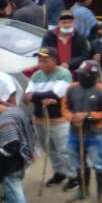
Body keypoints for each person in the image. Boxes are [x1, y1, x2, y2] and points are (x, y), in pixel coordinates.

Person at [63, 60, 102, 203]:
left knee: (99, 163)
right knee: (78, 163)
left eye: (83, 75)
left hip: (94, 134)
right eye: (79, 74)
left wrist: (88, 116)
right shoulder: (71, 89)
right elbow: (64, 107)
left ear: (92, 76)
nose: (80, 77)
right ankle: (82, 191)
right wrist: (72, 118)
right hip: (74, 133)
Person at [26, 48, 74, 189]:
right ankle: (59, 172)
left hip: (59, 120)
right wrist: (41, 97)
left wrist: (36, 96)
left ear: (54, 60)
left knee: (64, 150)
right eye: (39, 61)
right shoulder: (36, 75)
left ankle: (74, 176)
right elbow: (27, 96)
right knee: (50, 149)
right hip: (39, 120)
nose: (41, 64)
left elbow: (55, 94)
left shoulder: (64, 74)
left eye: (45, 61)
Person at [0, 74, 37, 203]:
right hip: (17, 164)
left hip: (9, 167)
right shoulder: (15, 111)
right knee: (9, 199)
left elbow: (12, 146)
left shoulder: (5, 121)